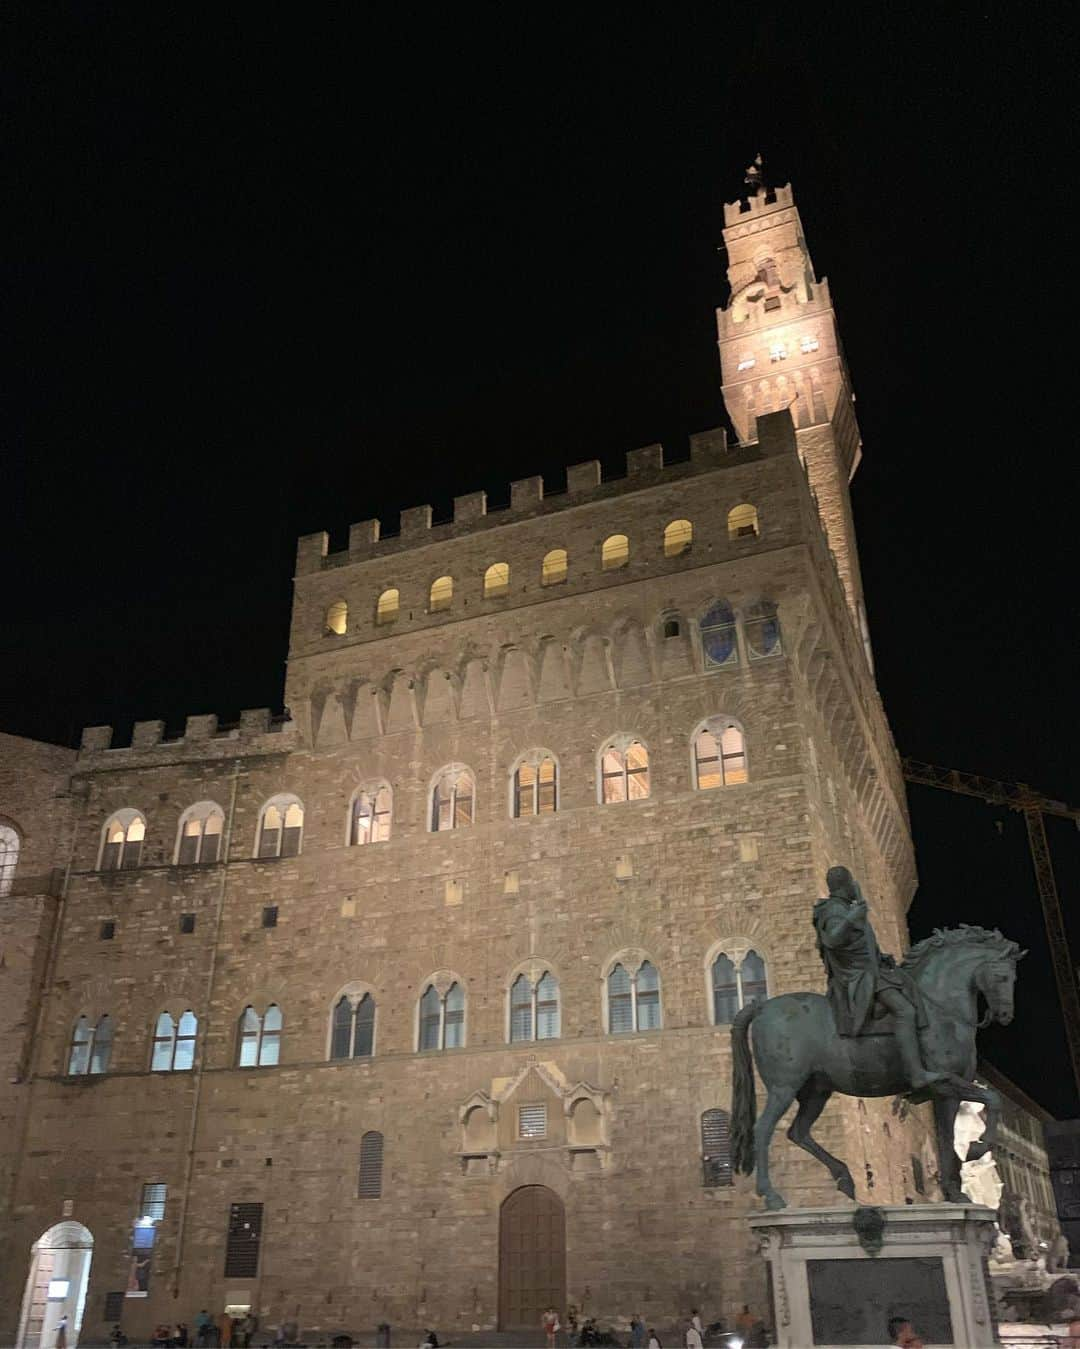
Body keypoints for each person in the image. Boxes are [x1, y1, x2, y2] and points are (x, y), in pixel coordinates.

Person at [814, 865, 944, 1091]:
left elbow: (862, 945)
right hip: (858, 976)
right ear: (846, 885)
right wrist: (851, 918)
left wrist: (881, 957)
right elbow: (832, 940)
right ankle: (916, 1074)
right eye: (852, 883)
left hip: (872, 970)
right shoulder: (835, 910)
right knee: (905, 1010)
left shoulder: (847, 907)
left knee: (910, 985)